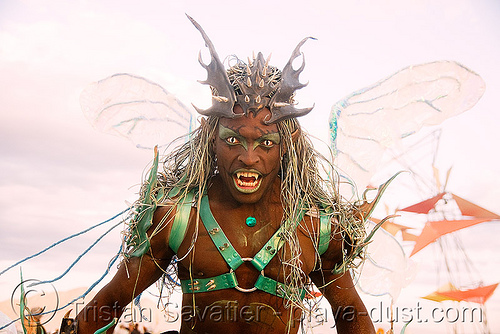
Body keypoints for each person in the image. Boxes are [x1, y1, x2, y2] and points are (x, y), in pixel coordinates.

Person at [73, 16, 378, 334]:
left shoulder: (318, 227)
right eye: (233, 140)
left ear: (286, 145)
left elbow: (351, 314)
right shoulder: (178, 217)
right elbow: (110, 303)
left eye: (265, 142)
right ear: (211, 138)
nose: (249, 157)